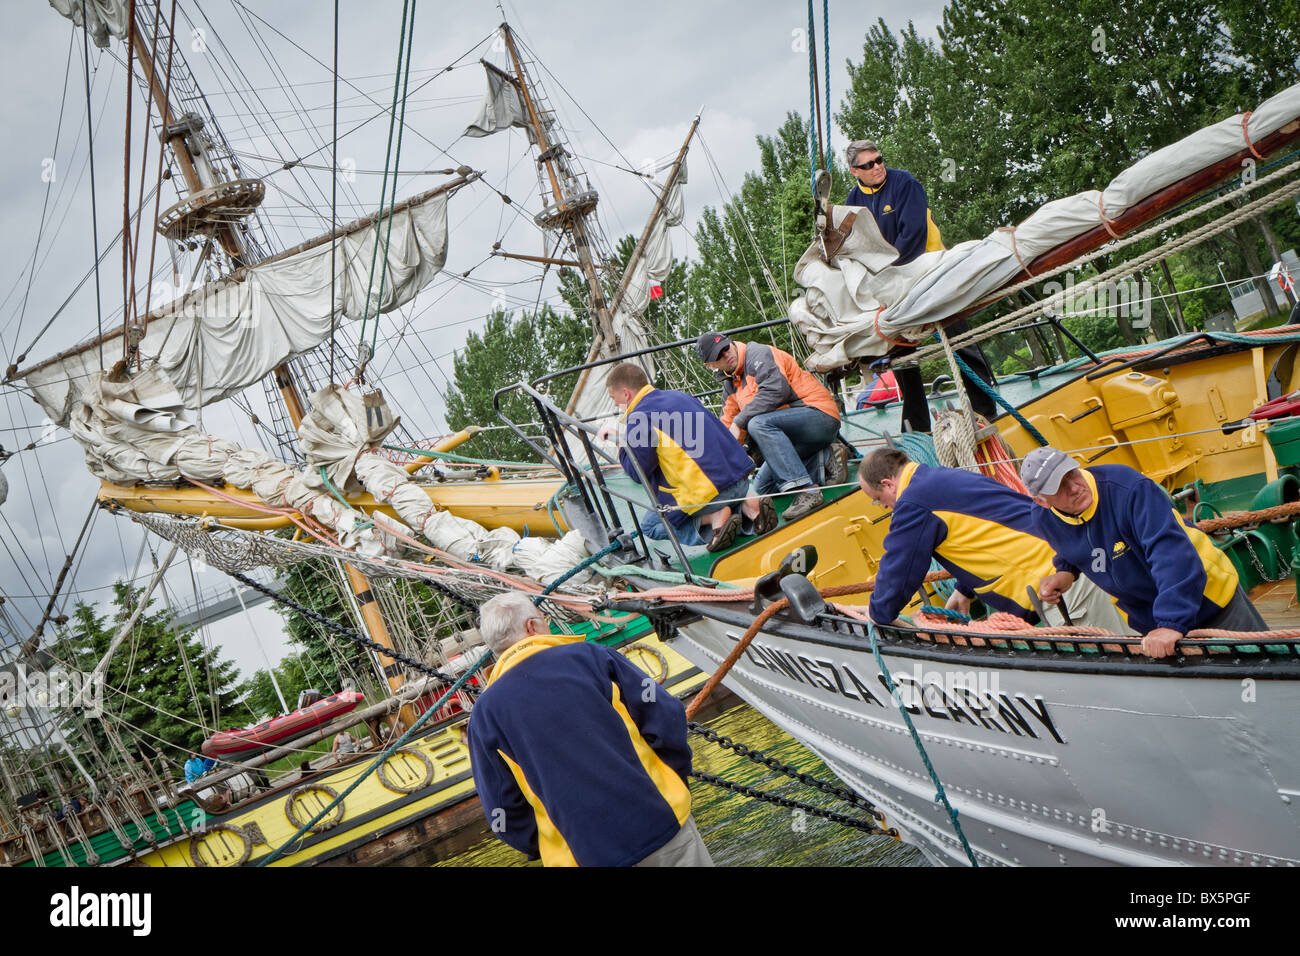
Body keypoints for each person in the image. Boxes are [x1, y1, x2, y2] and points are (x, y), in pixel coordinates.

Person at [466, 591, 712, 867]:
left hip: (582, 855)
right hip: (659, 823)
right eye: (544, 619)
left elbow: (501, 812)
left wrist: (552, 842)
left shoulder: (484, 716)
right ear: (531, 626)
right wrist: (671, 779)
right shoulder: (593, 657)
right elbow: (665, 716)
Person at [1021, 446, 1269, 658]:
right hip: (1150, 622)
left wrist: (1171, 622)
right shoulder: (1045, 518)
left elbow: (1170, 553)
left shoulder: (1128, 489)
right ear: (1042, 501)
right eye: (1061, 486)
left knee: (1262, 671)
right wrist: (1066, 571)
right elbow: (1073, 542)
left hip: (1210, 601)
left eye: (1072, 474)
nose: (1075, 487)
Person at [858, 447, 1129, 632]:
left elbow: (900, 568)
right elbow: (987, 525)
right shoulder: (941, 478)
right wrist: (964, 590)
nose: (883, 507)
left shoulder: (913, 502)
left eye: (878, 500)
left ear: (889, 484)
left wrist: (877, 614)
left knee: (1125, 673)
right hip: (1074, 566)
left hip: (1062, 589)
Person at [842, 139, 997, 433]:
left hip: (930, 266)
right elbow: (859, 245)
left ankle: (984, 407)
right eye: (869, 164)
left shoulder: (905, 184)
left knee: (958, 335)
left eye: (880, 159)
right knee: (898, 349)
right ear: (854, 171)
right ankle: (916, 423)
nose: (877, 167)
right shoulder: (853, 202)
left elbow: (913, 233)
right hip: (891, 282)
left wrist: (888, 273)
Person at [600, 362, 775, 552]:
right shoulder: (680, 396)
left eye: (614, 398)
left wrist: (621, 445)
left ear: (626, 394)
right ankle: (748, 506)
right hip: (740, 480)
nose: (616, 404)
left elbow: (637, 472)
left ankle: (714, 519)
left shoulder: (639, 417)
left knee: (650, 526)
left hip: (709, 496)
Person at [697, 331, 847, 522]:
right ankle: (827, 458)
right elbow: (727, 429)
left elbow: (776, 390)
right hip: (796, 437)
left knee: (757, 423)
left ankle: (807, 491)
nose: (727, 354)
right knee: (763, 487)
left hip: (819, 416)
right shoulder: (730, 384)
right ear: (710, 366)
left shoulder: (758, 354)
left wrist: (739, 421)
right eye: (719, 355)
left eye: (726, 348)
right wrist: (716, 464)